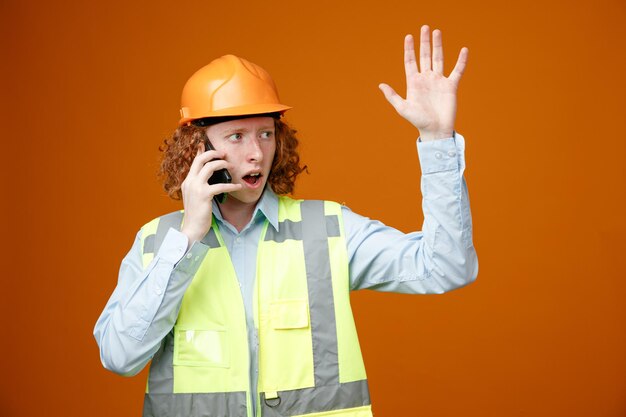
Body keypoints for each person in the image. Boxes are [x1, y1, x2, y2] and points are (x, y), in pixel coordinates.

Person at [94, 24, 478, 417]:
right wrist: (188, 239)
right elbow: (119, 355)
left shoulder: (329, 229)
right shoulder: (158, 242)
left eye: (265, 134)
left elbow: (447, 266)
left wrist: (437, 141)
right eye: (237, 136)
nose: (257, 153)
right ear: (197, 147)